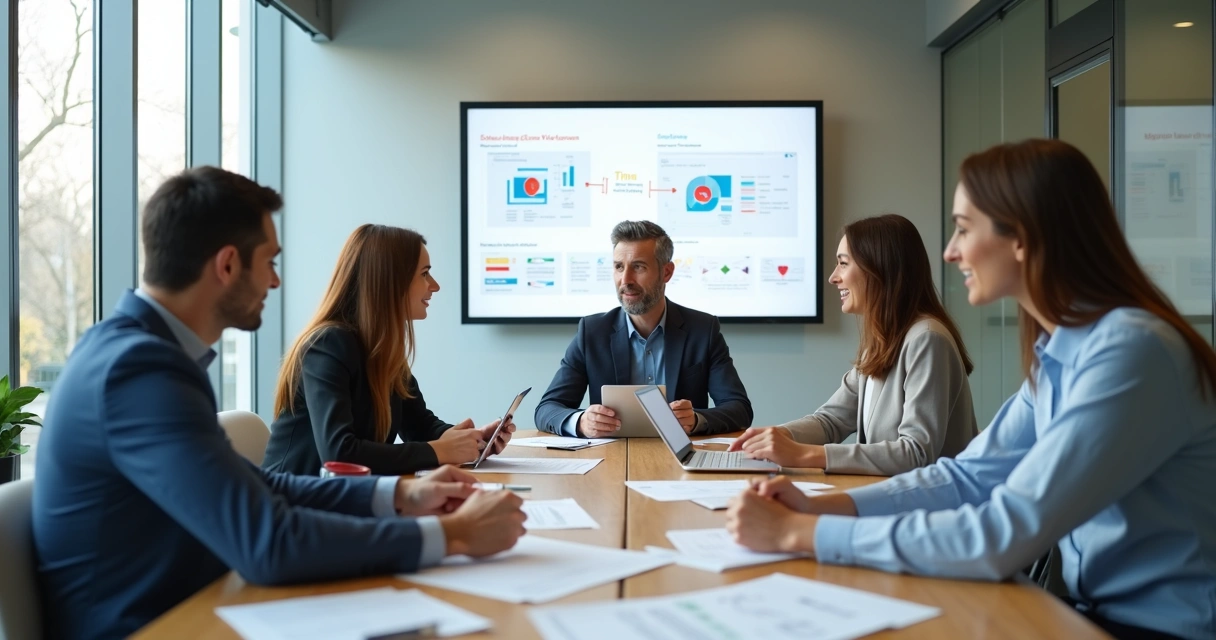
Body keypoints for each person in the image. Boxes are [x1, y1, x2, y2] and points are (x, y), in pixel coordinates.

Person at [726, 139, 1216, 640]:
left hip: (1160, 628)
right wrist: (824, 506)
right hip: (1087, 610)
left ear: (1021, 237)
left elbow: (1002, 531)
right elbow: (966, 479)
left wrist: (801, 533)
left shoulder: (1131, 352)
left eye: (963, 229)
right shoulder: (1059, 353)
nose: (950, 251)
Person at [32, 167, 526, 640]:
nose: (276, 281)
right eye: (269, 262)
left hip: (201, 601)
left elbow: (255, 484)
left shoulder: (146, 355)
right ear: (227, 265)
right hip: (158, 624)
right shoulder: (138, 371)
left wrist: (400, 497)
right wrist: (453, 537)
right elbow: (267, 542)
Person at [727, 214, 977, 475]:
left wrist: (804, 454)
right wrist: (775, 436)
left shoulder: (926, 339)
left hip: (927, 507)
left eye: (843, 264)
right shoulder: (883, 340)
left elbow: (916, 453)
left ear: (879, 269)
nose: (833, 277)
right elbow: (831, 420)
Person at [263, 224, 512, 476]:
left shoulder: (382, 350)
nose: (434, 286)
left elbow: (418, 425)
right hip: (292, 505)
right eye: (424, 274)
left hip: (341, 499)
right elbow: (339, 453)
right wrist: (440, 451)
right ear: (390, 281)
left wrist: (472, 442)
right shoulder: (327, 345)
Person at [534, 220, 752, 437]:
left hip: (680, 459)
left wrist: (696, 420)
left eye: (638, 267)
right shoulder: (591, 332)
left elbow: (739, 408)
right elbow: (547, 409)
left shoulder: (703, 330)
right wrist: (581, 421)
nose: (625, 280)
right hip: (610, 460)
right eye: (619, 267)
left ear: (666, 272)